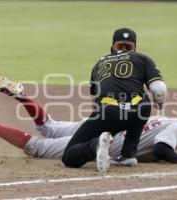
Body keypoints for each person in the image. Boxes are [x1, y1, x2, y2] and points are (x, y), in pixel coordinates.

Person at [0, 77, 177, 165]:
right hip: (101, 139)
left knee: (50, 126)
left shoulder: (167, 121)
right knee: (37, 147)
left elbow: (154, 149)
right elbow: (162, 150)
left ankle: (23, 96)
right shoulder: (175, 127)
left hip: (102, 124)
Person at [62, 28, 167, 171]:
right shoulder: (142, 58)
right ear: (136, 49)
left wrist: (100, 124)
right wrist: (159, 101)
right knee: (142, 102)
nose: (123, 49)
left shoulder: (99, 63)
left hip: (109, 111)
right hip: (138, 111)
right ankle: (129, 154)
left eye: (127, 47)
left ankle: (96, 145)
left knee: (69, 156)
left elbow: (95, 101)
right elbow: (159, 89)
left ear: (111, 48)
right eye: (120, 46)